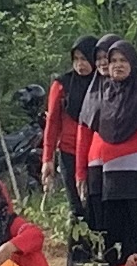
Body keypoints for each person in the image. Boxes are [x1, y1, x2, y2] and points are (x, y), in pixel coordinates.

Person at [64, 39, 137, 266]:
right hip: (111, 175)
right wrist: (82, 171)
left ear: (134, 64)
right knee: (114, 228)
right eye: (112, 60)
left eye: (123, 60)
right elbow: (86, 132)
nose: (117, 65)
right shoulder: (102, 94)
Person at [40, 40, 102, 234]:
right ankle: (78, 258)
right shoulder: (62, 85)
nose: (80, 65)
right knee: (77, 207)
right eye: (76, 59)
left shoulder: (104, 84)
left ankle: (99, 255)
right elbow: (52, 123)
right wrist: (47, 158)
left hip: (96, 155)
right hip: (69, 152)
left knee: (97, 205)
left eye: (84, 59)